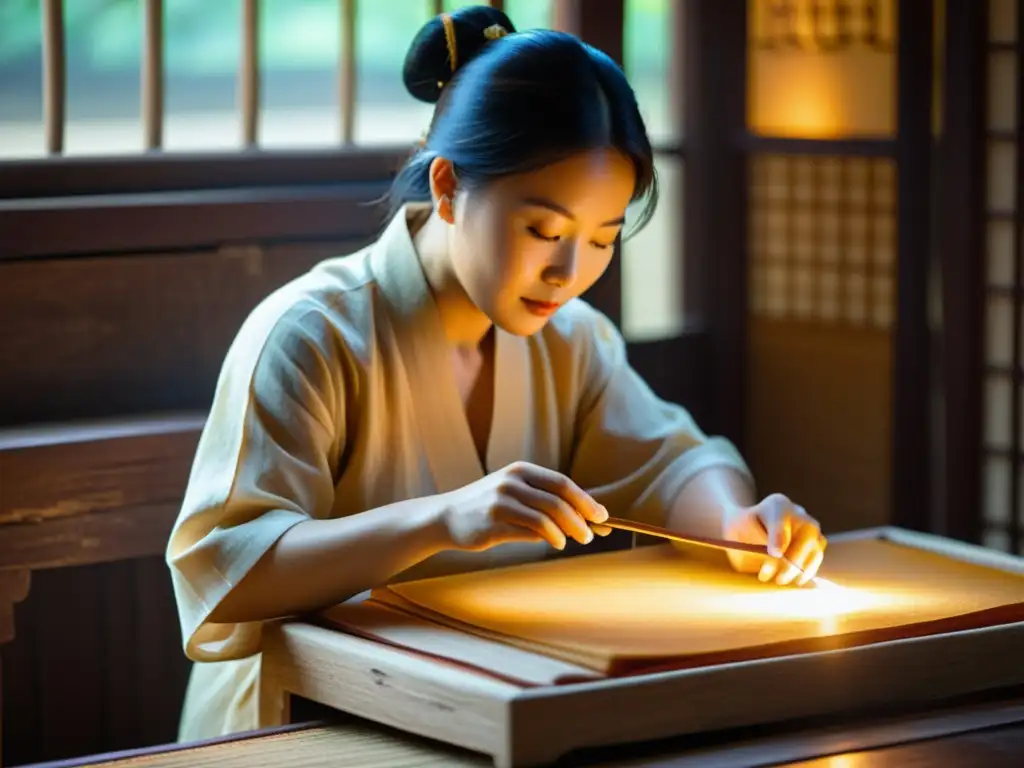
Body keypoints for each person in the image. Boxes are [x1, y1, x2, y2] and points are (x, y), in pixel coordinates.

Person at [165, 4, 827, 743]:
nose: (569, 273)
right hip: (300, 726)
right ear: (446, 188)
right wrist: (445, 518)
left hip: (475, 716)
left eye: (601, 240)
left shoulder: (571, 342)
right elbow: (228, 569)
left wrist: (736, 525)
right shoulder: (311, 335)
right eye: (543, 231)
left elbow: (674, 465)